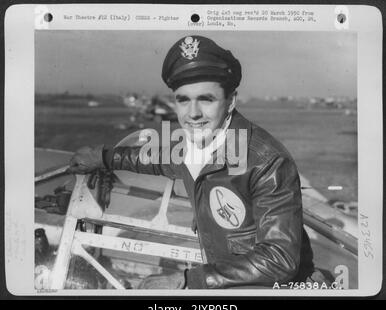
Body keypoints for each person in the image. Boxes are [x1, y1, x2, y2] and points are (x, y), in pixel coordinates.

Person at [69, 35, 321, 289]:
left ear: (231, 101)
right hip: (225, 280)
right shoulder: (191, 145)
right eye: (183, 99)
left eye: (206, 99)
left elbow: (279, 260)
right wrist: (103, 157)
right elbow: (153, 159)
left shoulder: (266, 161)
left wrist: (190, 280)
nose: (193, 113)